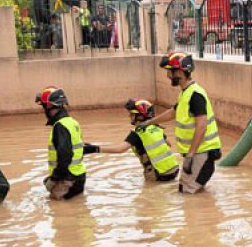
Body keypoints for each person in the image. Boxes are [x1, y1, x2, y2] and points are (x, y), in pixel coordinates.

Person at [148, 53, 222, 194]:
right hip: (196, 154)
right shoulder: (185, 93)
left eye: (170, 72)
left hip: (202, 154)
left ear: (181, 72)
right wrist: (150, 122)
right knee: (189, 192)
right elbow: (173, 112)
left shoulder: (195, 95)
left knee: (187, 195)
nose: (168, 75)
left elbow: (202, 126)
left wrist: (190, 155)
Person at [88, 99, 180, 182]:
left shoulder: (137, 133)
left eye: (132, 114)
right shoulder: (157, 127)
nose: (129, 116)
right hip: (174, 169)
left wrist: (95, 148)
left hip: (159, 175)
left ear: (139, 116)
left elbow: (120, 149)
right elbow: (169, 144)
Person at [37, 85, 97, 200]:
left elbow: (65, 156)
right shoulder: (72, 122)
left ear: (49, 106)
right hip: (79, 177)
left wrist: (53, 179)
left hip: (66, 180)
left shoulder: (60, 126)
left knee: (59, 213)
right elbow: (77, 149)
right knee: (78, 209)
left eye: (43, 106)